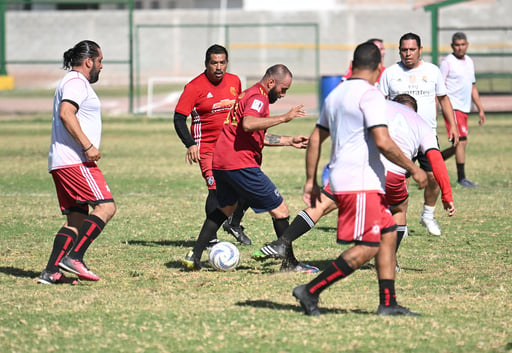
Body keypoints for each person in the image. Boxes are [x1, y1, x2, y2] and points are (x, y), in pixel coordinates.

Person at [290, 42, 428, 316]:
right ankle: (309, 290)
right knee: (368, 246)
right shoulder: (371, 95)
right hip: (360, 182)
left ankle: (387, 303)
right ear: (379, 67)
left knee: (388, 233)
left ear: (353, 64)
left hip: (349, 179)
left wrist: (310, 179)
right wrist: (413, 169)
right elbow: (383, 141)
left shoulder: (336, 94)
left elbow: (316, 137)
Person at [252, 94, 456, 273]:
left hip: (356, 165)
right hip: (393, 172)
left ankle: (283, 242)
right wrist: (446, 196)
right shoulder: (421, 123)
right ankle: (389, 261)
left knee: (322, 204)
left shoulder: (380, 106)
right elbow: (436, 161)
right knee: (399, 209)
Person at [181, 64, 317, 273]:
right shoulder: (258, 98)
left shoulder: (248, 94)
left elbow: (253, 135)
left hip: (222, 164)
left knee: (225, 209)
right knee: (281, 211)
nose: (282, 95)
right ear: (271, 82)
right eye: (283, 89)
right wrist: (284, 118)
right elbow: (249, 124)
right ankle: (289, 264)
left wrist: (289, 140)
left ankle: (195, 255)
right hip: (240, 165)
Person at [38, 40, 116, 285]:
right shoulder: (76, 82)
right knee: (106, 207)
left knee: (76, 220)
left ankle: (51, 271)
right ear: (89, 61)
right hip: (75, 162)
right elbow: (66, 113)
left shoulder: (72, 81)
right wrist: (88, 145)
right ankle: (75, 257)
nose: (101, 67)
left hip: (63, 161)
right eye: (100, 61)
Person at [379, 32, 459, 237]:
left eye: (412, 49)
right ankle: (398, 220)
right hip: (399, 137)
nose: (408, 53)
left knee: (433, 177)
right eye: (404, 50)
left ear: (420, 50)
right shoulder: (390, 73)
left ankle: (428, 214)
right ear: (399, 51)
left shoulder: (432, 71)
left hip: (426, 135)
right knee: (399, 179)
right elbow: (379, 103)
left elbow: (443, 99)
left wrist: (453, 125)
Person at [174, 44, 251, 246]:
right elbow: (179, 118)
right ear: (206, 63)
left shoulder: (235, 81)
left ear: (227, 63)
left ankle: (233, 223)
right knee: (215, 190)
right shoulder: (194, 87)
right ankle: (211, 238)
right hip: (206, 148)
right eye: (214, 63)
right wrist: (190, 144)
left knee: (249, 185)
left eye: (222, 62)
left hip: (232, 146)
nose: (218, 67)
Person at [440, 32, 486, 188]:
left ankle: (432, 162)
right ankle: (462, 178)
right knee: (461, 142)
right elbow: (439, 87)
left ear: (467, 45)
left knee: (457, 145)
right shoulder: (447, 62)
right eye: (457, 45)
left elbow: (472, 86)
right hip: (453, 107)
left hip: (464, 108)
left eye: (462, 45)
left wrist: (480, 108)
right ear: (452, 46)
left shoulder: (469, 62)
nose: (460, 48)